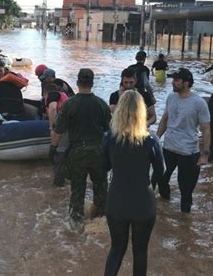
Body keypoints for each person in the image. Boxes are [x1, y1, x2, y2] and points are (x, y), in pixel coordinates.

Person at [102, 90, 164, 276]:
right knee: (140, 251)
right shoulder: (151, 140)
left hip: (116, 201)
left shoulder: (109, 138)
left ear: (119, 110)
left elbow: (103, 167)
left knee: (116, 249)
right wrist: (150, 184)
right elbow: (160, 171)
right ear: (142, 112)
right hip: (143, 203)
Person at [51, 68, 111, 225]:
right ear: (92, 83)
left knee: (77, 191)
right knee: (101, 188)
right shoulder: (101, 104)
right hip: (98, 152)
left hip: (77, 153)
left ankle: (75, 226)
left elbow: (58, 130)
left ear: (77, 83)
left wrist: (53, 149)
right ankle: (99, 222)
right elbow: (109, 130)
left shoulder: (69, 104)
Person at [156, 68, 211, 213]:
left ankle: (185, 222)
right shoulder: (171, 98)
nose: (173, 83)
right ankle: (164, 212)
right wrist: (156, 138)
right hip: (168, 148)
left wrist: (205, 154)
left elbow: (206, 129)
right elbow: (165, 119)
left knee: (185, 190)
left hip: (188, 152)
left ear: (186, 83)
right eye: (173, 80)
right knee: (161, 179)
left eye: (176, 80)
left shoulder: (199, 103)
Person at [44, 83, 70, 187]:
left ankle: (58, 184)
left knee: (59, 153)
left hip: (65, 127)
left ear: (46, 93)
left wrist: (52, 127)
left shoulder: (53, 95)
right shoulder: (64, 96)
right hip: (72, 127)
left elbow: (53, 108)